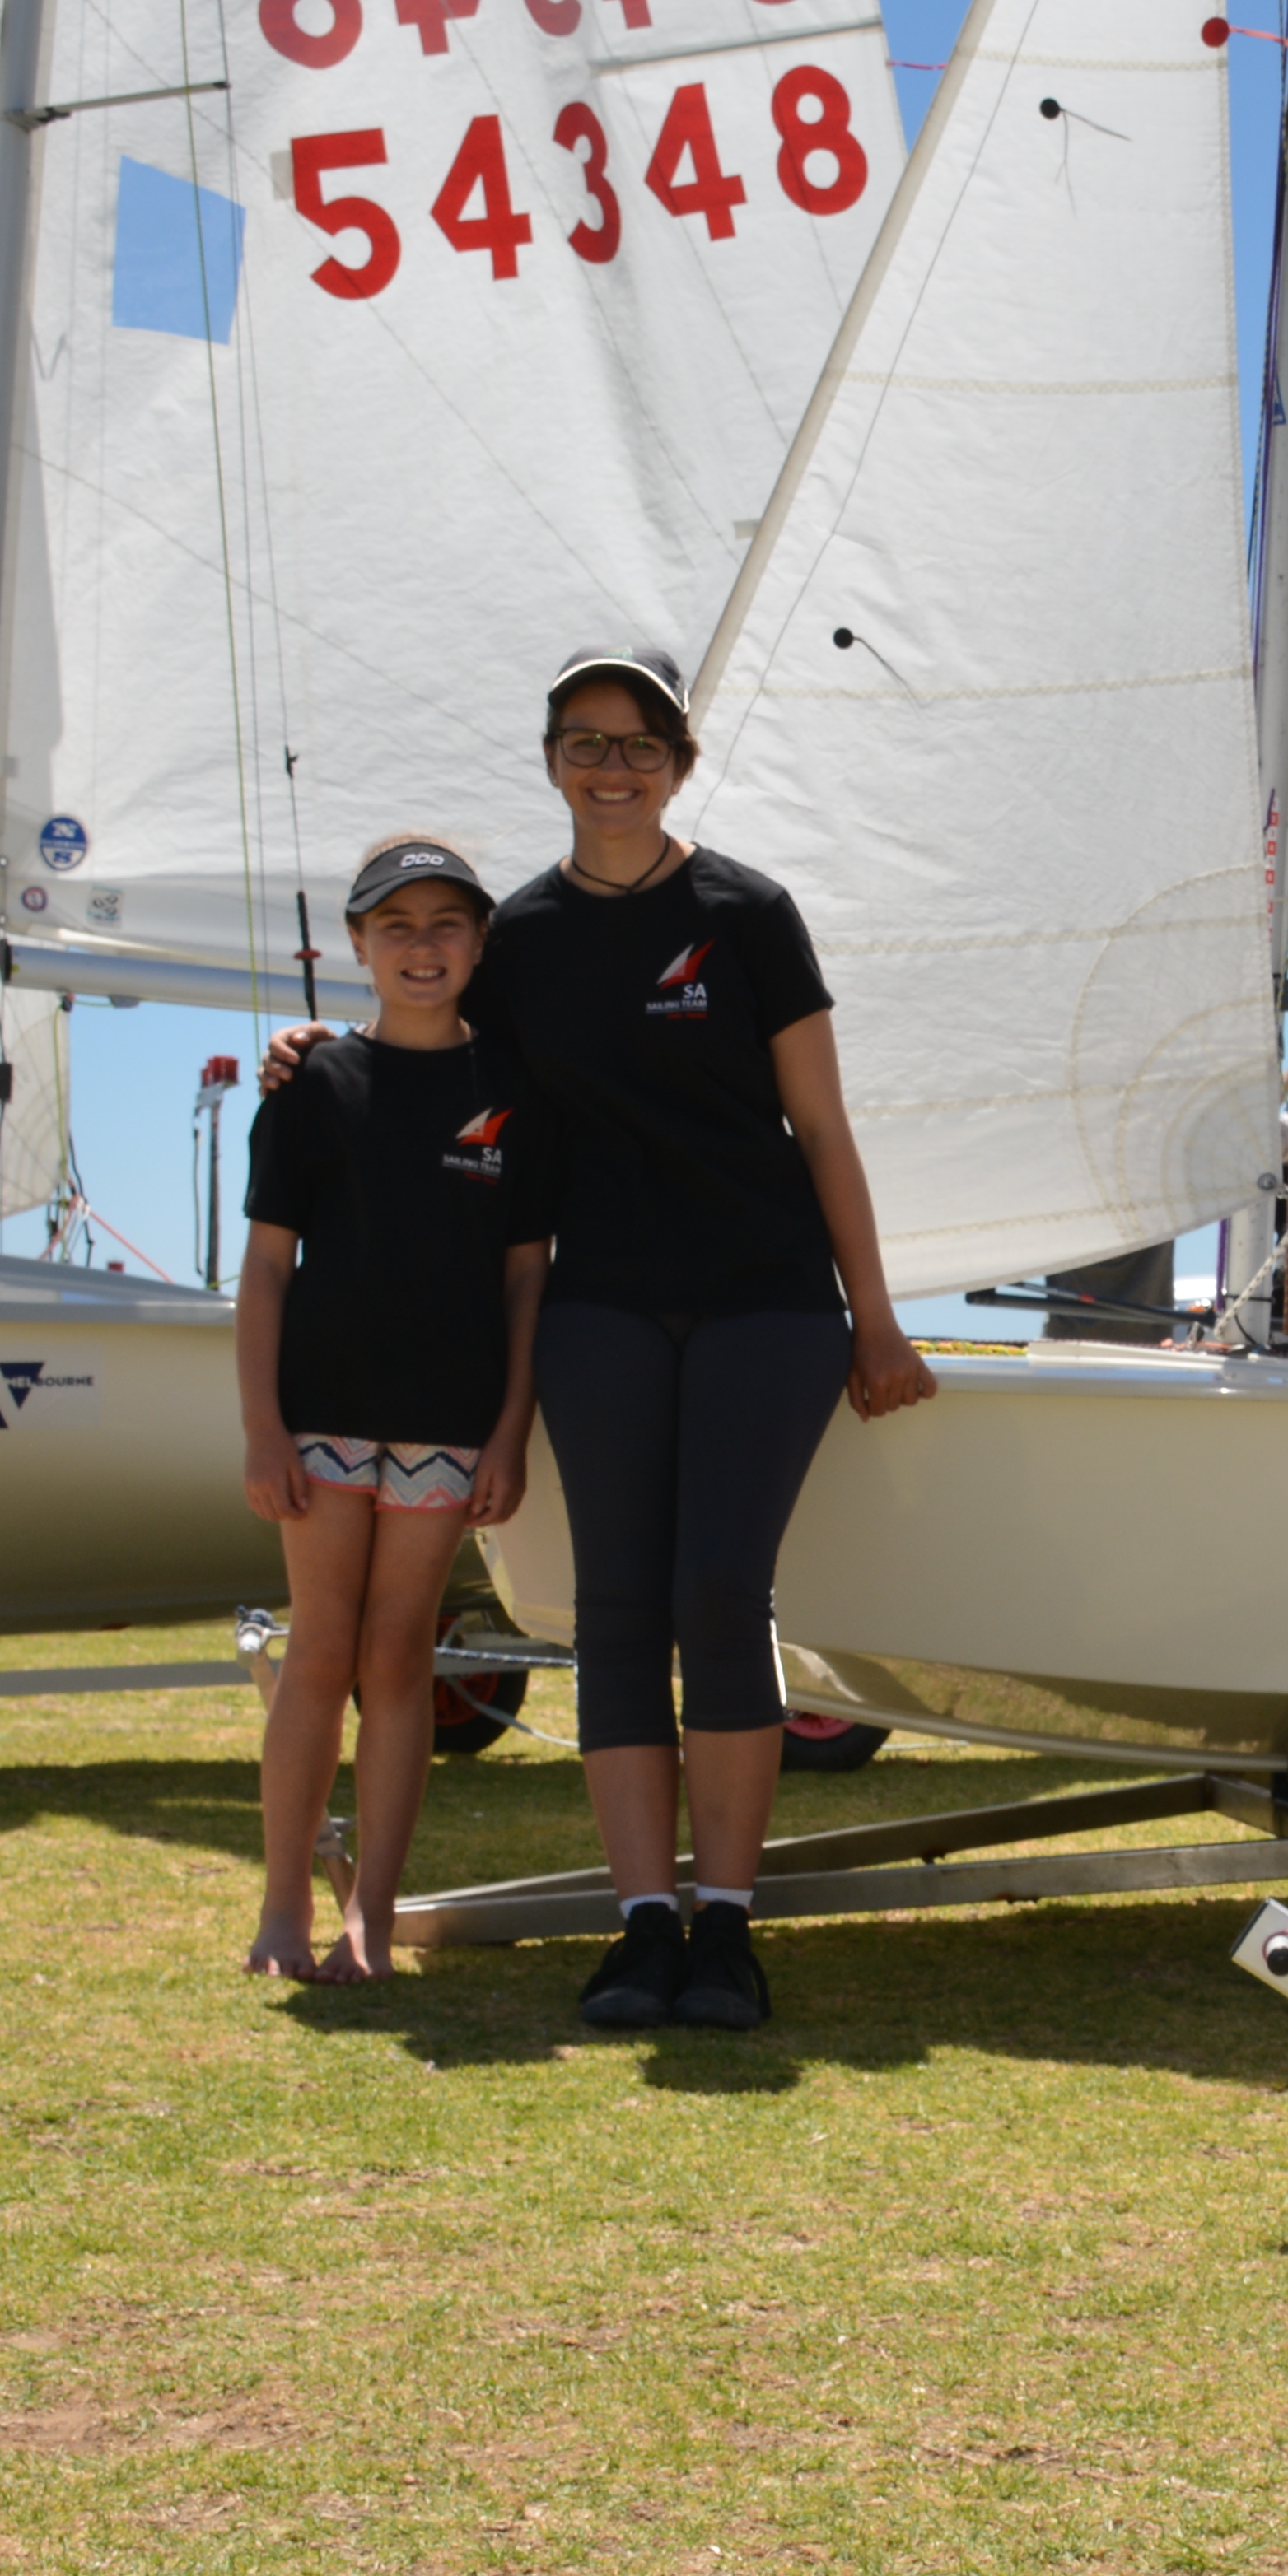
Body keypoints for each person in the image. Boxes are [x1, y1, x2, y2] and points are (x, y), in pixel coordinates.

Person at [270, 646, 934, 2033]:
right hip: (600, 1305)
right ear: (553, 759)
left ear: (678, 763)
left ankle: (728, 1930)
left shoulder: (747, 912)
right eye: (585, 741)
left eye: (639, 745)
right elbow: (428, 1035)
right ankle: (643, 1926)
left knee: (719, 1596)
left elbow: (822, 1124)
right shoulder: (517, 938)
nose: (612, 767)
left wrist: (874, 1315)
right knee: (618, 1610)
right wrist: (308, 1056)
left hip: (764, 1297)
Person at [231, 836, 552, 1981]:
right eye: (397, 925)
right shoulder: (314, 1083)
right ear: (358, 946)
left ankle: (373, 1910)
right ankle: (281, 1908)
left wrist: (510, 1429)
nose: (424, 945)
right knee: (319, 1651)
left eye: (448, 923)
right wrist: (263, 1427)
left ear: (479, 943)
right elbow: (267, 1267)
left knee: (399, 1658)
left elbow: (527, 1275)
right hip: (318, 1416)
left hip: (451, 1421)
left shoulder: (513, 1092)